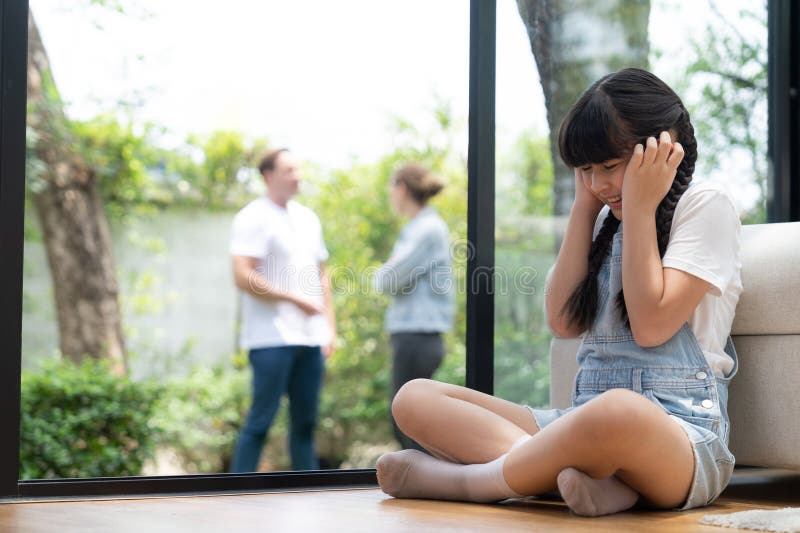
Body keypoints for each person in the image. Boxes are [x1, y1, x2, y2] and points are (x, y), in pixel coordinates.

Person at [375, 68, 742, 516]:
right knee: (414, 398)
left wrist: (642, 208)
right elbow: (563, 321)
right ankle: (594, 483)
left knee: (617, 411)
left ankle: (471, 483)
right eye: (585, 170)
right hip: (580, 426)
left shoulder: (705, 205)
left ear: (662, 148)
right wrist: (584, 208)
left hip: (680, 436)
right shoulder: (605, 217)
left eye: (608, 167)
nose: (598, 184)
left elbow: (650, 327)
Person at [229, 148, 336, 472]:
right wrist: (292, 298)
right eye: (289, 170)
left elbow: (322, 275)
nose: (297, 176)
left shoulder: (308, 218)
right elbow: (243, 275)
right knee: (260, 422)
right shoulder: (252, 217)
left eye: (298, 169)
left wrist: (330, 327)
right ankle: (235, 495)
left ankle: (311, 494)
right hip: (270, 339)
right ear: (268, 175)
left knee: (306, 425)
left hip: (310, 339)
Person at [373, 163, 455, 451]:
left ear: (402, 189)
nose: (391, 196)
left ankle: (431, 486)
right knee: (408, 423)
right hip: (415, 337)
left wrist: (381, 275)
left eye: (391, 189)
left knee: (407, 422)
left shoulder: (426, 230)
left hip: (418, 337)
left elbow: (387, 280)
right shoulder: (419, 228)